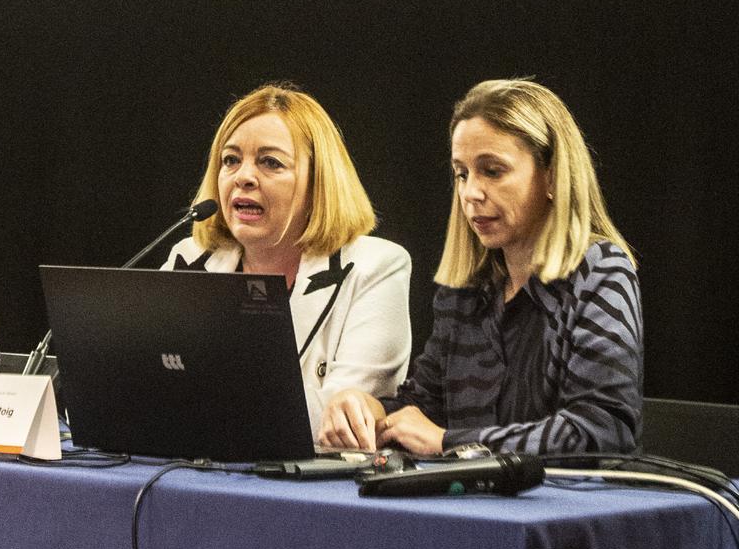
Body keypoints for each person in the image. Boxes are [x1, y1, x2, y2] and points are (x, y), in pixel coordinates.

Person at [318, 78, 642, 455]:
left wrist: (449, 442)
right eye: (462, 173)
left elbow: (602, 433)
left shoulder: (600, 271)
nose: (471, 192)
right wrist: (367, 411)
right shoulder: (465, 293)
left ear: (551, 175)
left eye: (493, 170)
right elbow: (423, 408)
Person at [164, 84, 410, 440]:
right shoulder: (190, 259)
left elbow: (340, 420)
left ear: (318, 184)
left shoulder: (375, 267)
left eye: (270, 162)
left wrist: (192, 404)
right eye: (231, 160)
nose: (243, 177)